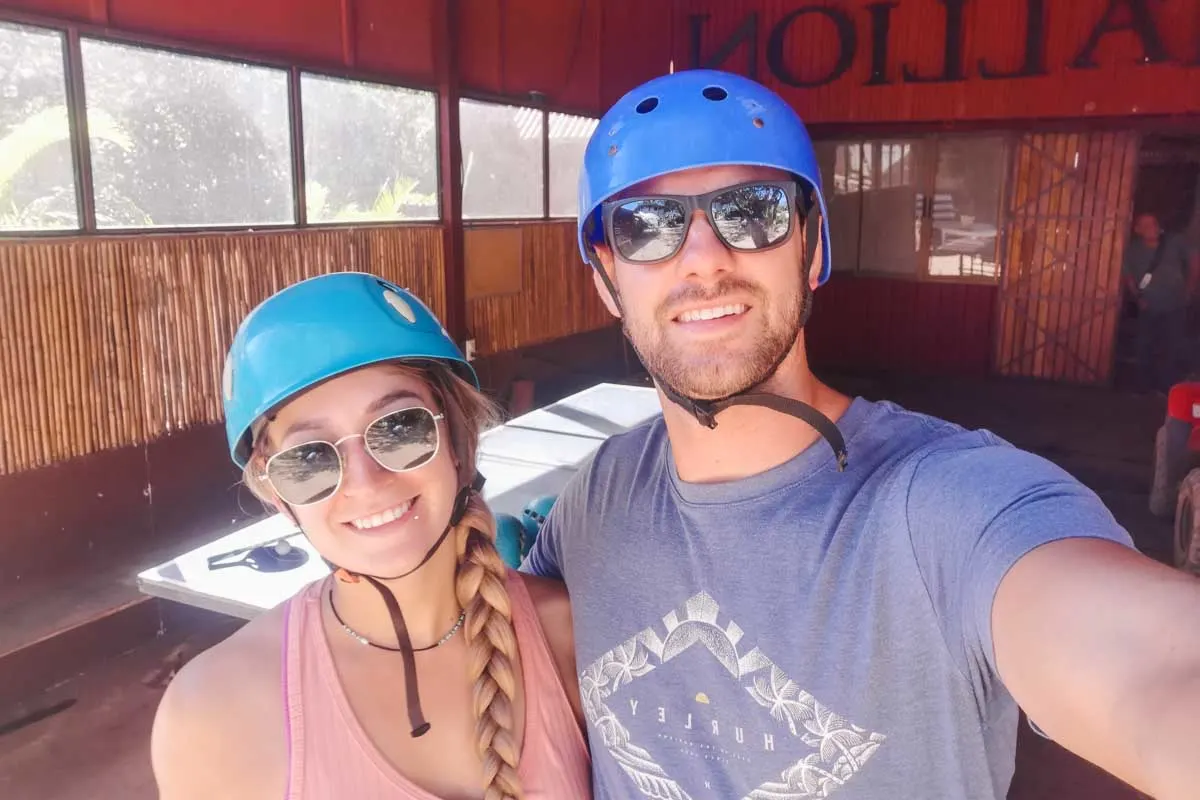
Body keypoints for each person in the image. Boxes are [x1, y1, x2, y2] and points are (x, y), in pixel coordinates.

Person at [521, 69, 1200, 799]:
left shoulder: (950, 507)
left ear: (811, 249)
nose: (703, 257)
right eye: (646, 226)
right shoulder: (600, 496)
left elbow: (1155, 668)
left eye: (750, 212)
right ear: (606, 278)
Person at [151, 272, 590, 799]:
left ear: (457, 437)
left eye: (400, 428)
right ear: (276, 494)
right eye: (310, 458)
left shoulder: (579, 637)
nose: (366, 481)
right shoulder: (212, 716)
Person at [1122, 211, 1200, 392]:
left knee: (1172, 347)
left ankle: (1168, 388)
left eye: (1155, 223)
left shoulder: (1175, 242)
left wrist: (1189, 288)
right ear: (1138, 230)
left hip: (1175, 305)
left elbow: (1195, 260)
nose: (1153, 228)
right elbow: (1128, 276)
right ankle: (1143, 387)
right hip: (1148, 307)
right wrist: (1138, 298)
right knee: (1144, 347)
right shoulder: (1133, 250)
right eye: (1147, 225)